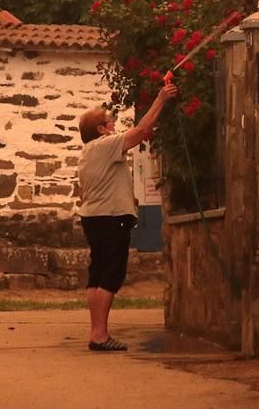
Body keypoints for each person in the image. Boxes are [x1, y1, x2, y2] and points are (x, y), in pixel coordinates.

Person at [76, 81, 178, 351]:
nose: (113, 125)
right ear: (100, 130)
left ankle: (96, 331)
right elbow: (142, 130)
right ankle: (99, 335)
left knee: (97, 274)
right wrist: (161, 98)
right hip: (111, 218)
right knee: (112, 274)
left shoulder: (87, 153)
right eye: (109, 122)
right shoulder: (105, 145)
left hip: (93, 217)